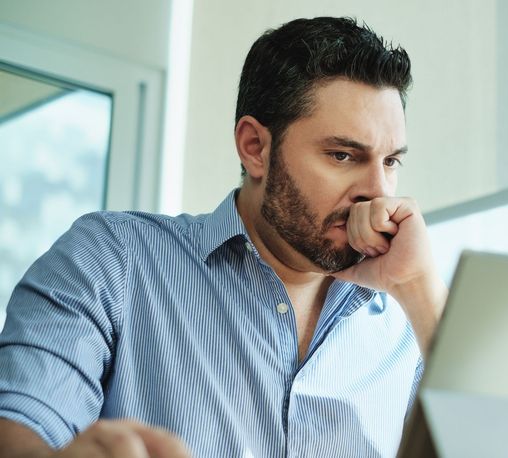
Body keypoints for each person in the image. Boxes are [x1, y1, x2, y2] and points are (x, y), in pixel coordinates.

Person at [0, 17, 447, 458]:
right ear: (255, 147)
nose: (379, 191)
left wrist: (417, 291)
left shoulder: (406, 324)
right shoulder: (111, 260)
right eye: (343, 155)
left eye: (390, 162)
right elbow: (19, 431)